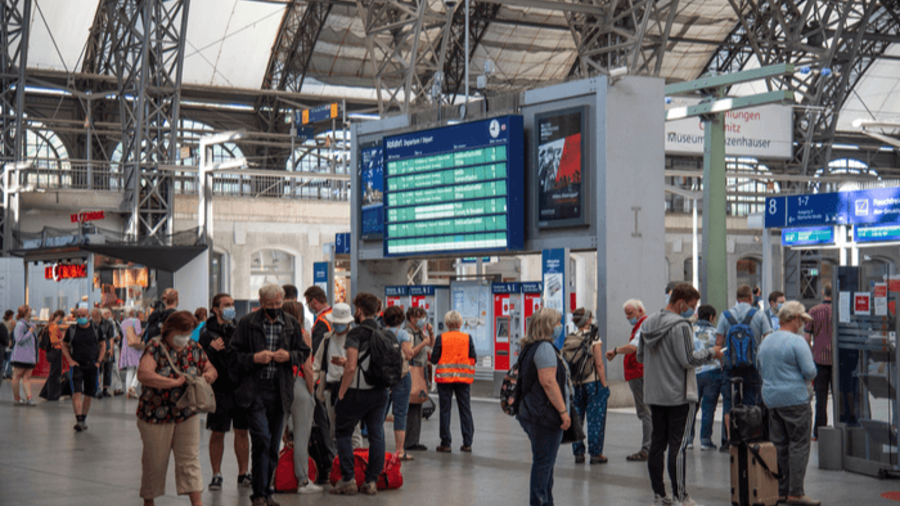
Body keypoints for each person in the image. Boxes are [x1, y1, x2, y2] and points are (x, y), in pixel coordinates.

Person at [638, 283, 722, 506]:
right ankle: (680, 496)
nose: (692, 311)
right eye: (692, 306)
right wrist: (711, 352)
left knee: (657, 444)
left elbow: (639, 356)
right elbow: (690, 359)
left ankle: (659, 494)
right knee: (678, 446)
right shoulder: (681, 326)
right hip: (679, 395)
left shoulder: (648, 323)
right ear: (682, 301)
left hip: (654, 394)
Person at [228, 284, 310, 506]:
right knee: (261, 439)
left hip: (281, 389)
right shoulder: (247, 324)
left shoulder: (291, 324)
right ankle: (258, 494)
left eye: (278, 304)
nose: (274, 308)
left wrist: (289, 356)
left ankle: (266, 490)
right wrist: (254, 358)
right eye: (270, 304)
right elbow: (232, 356)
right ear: (261, 302)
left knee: (274, 445)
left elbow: (303, 352)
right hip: (255, 390)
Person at [137, 311, 217, 506]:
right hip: (155, 414)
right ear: (170, 330)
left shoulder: (193, 347)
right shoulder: (155, 346)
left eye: (188, 332)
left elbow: (210, 367)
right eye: (181, 332)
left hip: (186, 413)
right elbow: (144, 374)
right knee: (154, 461)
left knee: (189, 460)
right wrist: (171, 383)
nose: (185, 337)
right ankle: (149, 501)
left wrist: (209, 374)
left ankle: (197, 502)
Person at [758, 301, 819, 506]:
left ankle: (782, 492)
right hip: (795, 400)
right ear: (794, 319)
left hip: (772, 400)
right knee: (799, 445)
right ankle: (796, 493)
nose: (802, 324)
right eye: (801, 320)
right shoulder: (797, 342)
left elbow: (760, 368)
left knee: (779, 446)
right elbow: (810, 372)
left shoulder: (766, 341)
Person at [331, 293, 390, 496]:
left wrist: (341, 392)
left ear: (359, 310)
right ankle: (371, 481)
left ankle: (348, 479)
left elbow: (351, 367)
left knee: (344, 432)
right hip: (381, 392)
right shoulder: (384, 332)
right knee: (377, 434)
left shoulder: (355, 334)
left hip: (358, 392)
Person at [515, 307, 571, 506]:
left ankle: (546, 501)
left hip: (531, 412)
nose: (560, 326)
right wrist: (564, 412)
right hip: (544, 415)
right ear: (548, 325)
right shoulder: (545, 349)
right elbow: (548, 382)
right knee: (543, 464)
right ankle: (539, 502)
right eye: (557, 322)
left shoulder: (529, 347)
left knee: (545, 463)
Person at [199, 294, 251, 491]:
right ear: (215, 309)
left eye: (232, 304)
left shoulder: (239, 330)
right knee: (218, 433)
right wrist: (211, 350)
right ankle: (216, 474)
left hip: (240, 389)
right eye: (226, 305)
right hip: (220, 391)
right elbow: (200, 362)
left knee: (242, 431)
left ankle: (243, 473)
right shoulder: (207, 334)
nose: (231, 308)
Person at [716, 284, 773, 445]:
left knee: (728, 403)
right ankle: (749, 437)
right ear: (751, 298)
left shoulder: (725, 315)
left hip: (730, 366)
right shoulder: (759, 315)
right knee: (751, 402)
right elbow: (768, 339)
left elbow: (718, 342)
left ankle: (729, 440)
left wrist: (722, 360)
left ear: (737, 298)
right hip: (752, 366)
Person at [281, 300, 322, 494]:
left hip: (277, 386)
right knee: (301, 435)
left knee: (274, 435)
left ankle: (269, 479)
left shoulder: (274, 334)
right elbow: (307, 367)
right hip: (298, 384)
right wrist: (311, 391)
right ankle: (303, 480)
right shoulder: (303, 335)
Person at [561, 307, 609, 464]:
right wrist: (604, 384)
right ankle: (596, 454)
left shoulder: (570, 338)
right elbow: (599, 364)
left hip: (575, 385)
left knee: (577, 418)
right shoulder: (594, 337)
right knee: (596, 420)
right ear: (587, 320)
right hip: (592, 383)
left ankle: (578, 453)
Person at [606, 299, 651, 461]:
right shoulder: (641, 325)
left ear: (640, 311)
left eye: (630, 313)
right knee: (647, 411)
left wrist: (616, 350)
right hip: (639, 372)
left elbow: (634, 347)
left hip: (639, 373)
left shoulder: (644, 325)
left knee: (645, 412)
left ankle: (647, 448)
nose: (627, 317)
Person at [312, 303, 361, 446]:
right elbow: (318, 363)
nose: (338, 326)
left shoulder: (355, 338)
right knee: (332, 428)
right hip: (330, 388)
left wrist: (348, 363)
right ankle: (337, 460)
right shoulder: (327, 339)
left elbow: (360, 364)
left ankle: (355, 459)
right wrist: (313, 383)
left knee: (353, 429)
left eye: (341, 323)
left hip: (350, 388)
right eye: (336, 323)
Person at [431, 310, 476, 453]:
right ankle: (467, 443)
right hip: (463, 379)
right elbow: (473, 357)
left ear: (447, 323)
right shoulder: (467, 338)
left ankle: (446, 443)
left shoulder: (441, 338)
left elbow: (434, 359)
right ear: (461, 323)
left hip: (445, 379)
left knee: (445, 410)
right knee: (465, 410)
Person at [61, 307, 107, 430]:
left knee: (88, 395)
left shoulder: (96, 329)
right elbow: (64, 346)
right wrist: (70, 361)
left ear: (88, 316)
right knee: (76, 393)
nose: (81, 318)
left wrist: (99, 361)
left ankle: (83, 418)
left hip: (92, 366)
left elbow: (103, 345)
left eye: (83, 315)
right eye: (78, 316)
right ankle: (79, 420)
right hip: (77, 366)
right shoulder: (72, 330)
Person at [689, 304, 727, 451]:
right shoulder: (716, 333)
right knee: (708, 408)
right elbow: (721, 352)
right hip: (713, 373)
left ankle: (689, 439)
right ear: (712, 317)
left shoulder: (689, 330)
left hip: (693, 373)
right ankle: (705, 440)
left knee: (692, 407)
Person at [382, 305, 415, 460]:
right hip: (401, 377)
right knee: (400, 413)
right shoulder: (402, 333)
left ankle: (379, 447)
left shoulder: (381, 332)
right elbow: (408, 354)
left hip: (383, 377)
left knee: (380, 413)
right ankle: (400, 451)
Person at [402, 306, 434, 452]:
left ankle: (414, 439)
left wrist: (431, 334)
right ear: (412, 319)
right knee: (413, 407)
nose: (422, 320)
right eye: (419, 317)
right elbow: (410, 353)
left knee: (417, 407)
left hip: (420, 371)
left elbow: (431, 344)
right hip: (413, 372)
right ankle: (410, 441)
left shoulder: (420, 332)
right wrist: (424, 344)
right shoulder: (408, 333)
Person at [805, 282, 833, 441]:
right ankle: (839, 430)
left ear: (823, 293)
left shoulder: (814, 311)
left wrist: (810, 354)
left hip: (819, 360)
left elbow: (807, 337)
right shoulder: (838, 310)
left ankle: (818, 432)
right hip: (837, 362)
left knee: (820, 399)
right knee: (839, 397)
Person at [10, 305, 38, 405]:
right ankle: (17, 398)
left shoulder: (30, 325)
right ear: (25, 313)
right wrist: (30, 332)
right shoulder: (20, 325)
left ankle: (29, 398)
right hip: (20, 356)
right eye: (30, 310)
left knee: (27, 377)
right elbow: (19, 340)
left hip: (30, 357)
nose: (32, 312)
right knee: (17, 376)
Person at [39, 310, 67, 401]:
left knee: (53, 373)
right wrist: (62, 340)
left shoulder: (48, 326)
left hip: (50, 351)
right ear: (59, 317)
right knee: (55, 374)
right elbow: (54, 341)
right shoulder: (54, 327)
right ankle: (53, 395)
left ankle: (45, 393)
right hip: (55, 350)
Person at [120, 308, 144, 399]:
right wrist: (143, 331)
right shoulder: (136, 321)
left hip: (126, 346)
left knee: (129, 370)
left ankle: (128, 392)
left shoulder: (123, 322)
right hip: (135, 347)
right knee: (139, 369)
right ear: (131, 312)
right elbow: (138, 333)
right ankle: (132, 387)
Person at [103, 308, 125, 395]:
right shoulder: (103, 324)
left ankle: (117, 388)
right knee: (107, 369)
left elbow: (119, 333)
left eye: (109, 313)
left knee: (115, 368)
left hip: (114, 347)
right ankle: (105, 388)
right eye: (106, 313)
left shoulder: (115, 322)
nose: (108, 315)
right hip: (106, 347)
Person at [304, 285, 332, 354]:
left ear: (314, 301)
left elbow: (316, 348)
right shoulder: (332, 313)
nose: (309, 306)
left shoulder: (322, 322)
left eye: (308, 303)